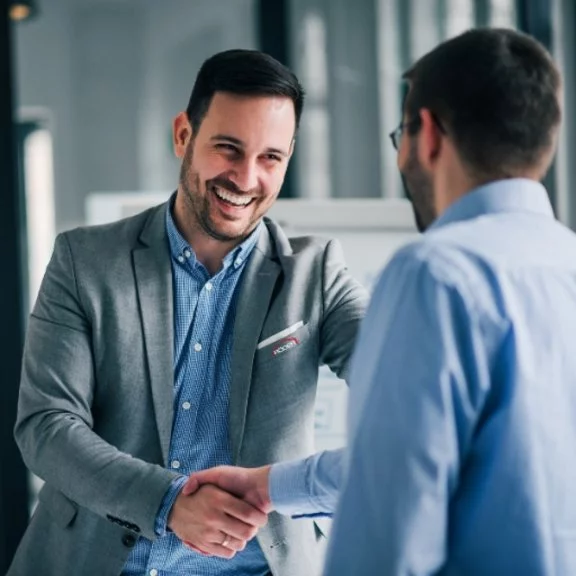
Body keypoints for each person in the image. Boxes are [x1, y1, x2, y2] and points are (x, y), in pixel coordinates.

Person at [184, 28, 576, 575]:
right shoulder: (567, 264)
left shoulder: (436, 274)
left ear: (430, 136)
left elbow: (389, 513)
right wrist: (269, 485)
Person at [8, 49, 368, 576]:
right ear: (184, 135)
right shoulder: (84, 261)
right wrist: (169, 502)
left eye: (271, 158)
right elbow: (46, 426)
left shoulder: (317, 274)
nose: (246, 178)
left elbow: (408, 395)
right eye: (228, 148)